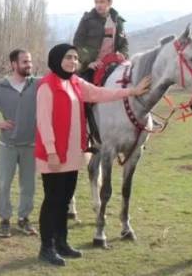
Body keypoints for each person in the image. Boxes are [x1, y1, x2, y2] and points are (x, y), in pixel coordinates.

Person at [34, 44, 150, 266]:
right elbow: (44, 122)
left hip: (72, 153)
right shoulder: (46, 86)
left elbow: (102, 93)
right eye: (68, 57)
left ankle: (62, 243)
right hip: (54, 155)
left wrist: (132, 91)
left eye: (76, 58)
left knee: (65, 199)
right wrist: (50, 152)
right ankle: (46, 248)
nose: (72, 61)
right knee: (52, 201)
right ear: (57, 59)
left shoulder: (76, 82)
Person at [0, 49, 39, 238]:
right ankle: (4, 221)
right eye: (25, 62)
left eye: (30, 61)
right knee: (4, 184)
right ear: (14, 64)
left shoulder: (36, 84)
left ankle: (24, 220)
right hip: (8, 146)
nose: (29, 65)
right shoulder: (0, 87)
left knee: (28, 186)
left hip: (30, 145)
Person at [72, 0, 129, 150]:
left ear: (109, 3)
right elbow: (76, 43)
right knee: (81, 98)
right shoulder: (87, 20)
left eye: (102, 2)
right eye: (96, 2)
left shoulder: (118, 20)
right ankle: (83, 136)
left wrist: (123, 54)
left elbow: (124, 44)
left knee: (129, 88)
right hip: (91, 66)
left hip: (114, 66)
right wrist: (87, 62)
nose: (98, 5)